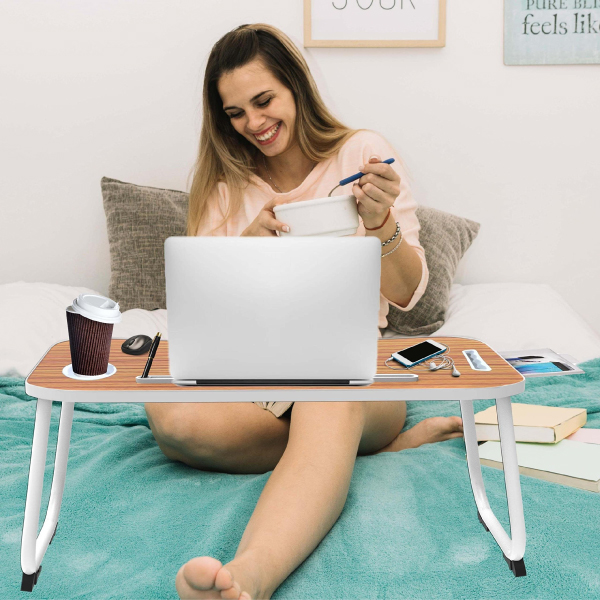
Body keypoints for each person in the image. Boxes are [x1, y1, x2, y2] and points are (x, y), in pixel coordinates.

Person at [144, 23, 464, 600]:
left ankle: (250, 576)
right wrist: (248, 248)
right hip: (254, 373)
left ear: (295, 86)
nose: (254, 123)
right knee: (174, 423)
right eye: (235, 112)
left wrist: (380, 225)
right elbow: (205, 312)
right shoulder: (222, 182)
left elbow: (409, 292)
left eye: (263, 101)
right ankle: (367, 451)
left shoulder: (362, 151)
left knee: (326, 393)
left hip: (351, 372)